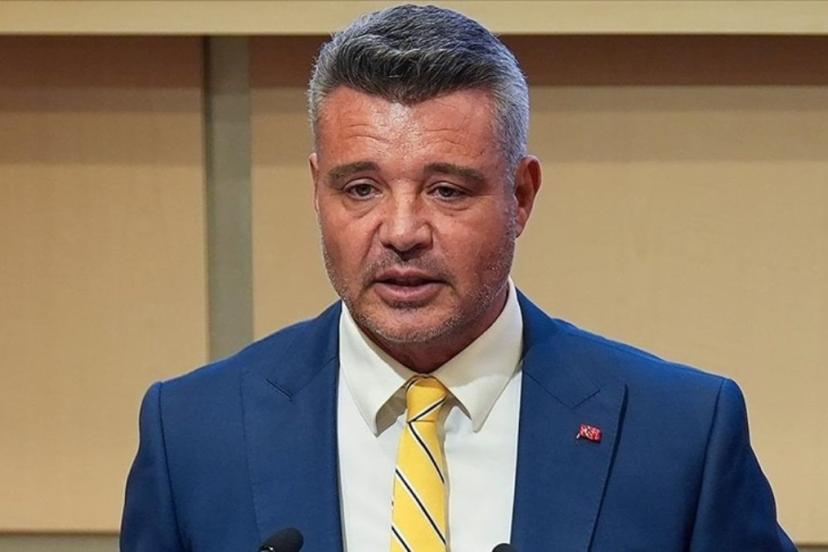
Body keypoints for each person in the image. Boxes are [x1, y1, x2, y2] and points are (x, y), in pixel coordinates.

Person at [121, 5, 795, 551]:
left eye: (446, 190)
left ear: (520, 196)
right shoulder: (194, 434)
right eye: (360, 189)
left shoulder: (679, 433)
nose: (402, 231)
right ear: (317, 192)